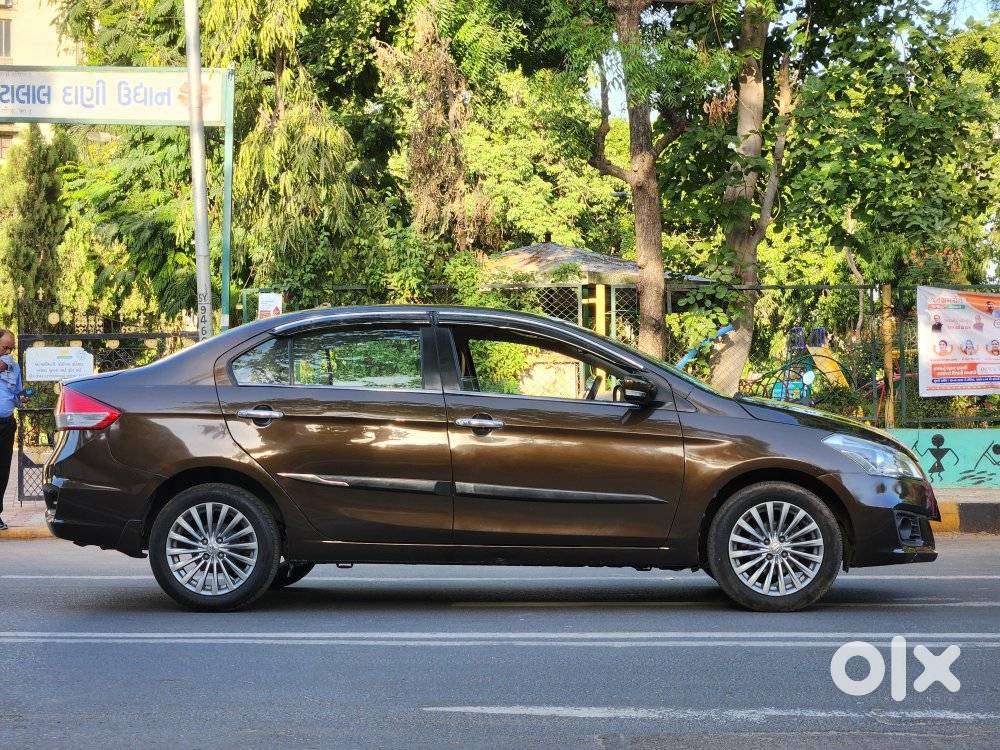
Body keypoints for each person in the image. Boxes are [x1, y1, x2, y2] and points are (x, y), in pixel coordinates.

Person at [0, 329, 25, 531]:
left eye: (11, 348)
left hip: (6, 424)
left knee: (2, 471)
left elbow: (16, 394)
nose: (8, 352)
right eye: (4, 347)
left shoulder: (14, 367)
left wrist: (22, 397)